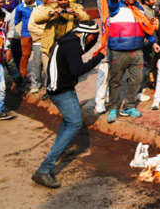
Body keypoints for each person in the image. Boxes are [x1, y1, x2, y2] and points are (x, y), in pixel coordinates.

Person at [32, 21, 105, 188]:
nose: (92, 40)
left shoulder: (71, 39)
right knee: (74, 123)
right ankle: (43, 170)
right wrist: (99, 57)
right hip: (60, 90)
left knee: (68, 121)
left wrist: (96, 43)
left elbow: (83, 50)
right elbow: (77, 70)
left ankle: (60, 148)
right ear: (87, 34)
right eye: (93, 37)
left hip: (62, 86)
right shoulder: (72, 45)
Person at [106, 0, 157, 123]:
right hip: (118, 52)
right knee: (115, 81)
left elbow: (147, 26)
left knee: (136, 80)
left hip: (137, 52)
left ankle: (129, 105)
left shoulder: (139, 9)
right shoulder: (115, 8)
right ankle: (114, 108)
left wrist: (154, 42)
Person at [27, 0, 55, 94]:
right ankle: (35, 84)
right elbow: (31, 27)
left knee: (50, 64)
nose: (55, 1)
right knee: (37, 63)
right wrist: (45, 34)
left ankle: (49, 84)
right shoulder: (37, 11)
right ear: (46, 0)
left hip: (52, 41)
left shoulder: (56, 11)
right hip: (39, 41)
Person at [14, 0, 41, 82]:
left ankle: (38, 78)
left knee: (39, 56)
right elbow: (16, 20)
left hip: (39, 33)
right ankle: (22, 76)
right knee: (25, 55)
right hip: (26, 33)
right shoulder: (20, 7)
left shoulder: (40, 5)